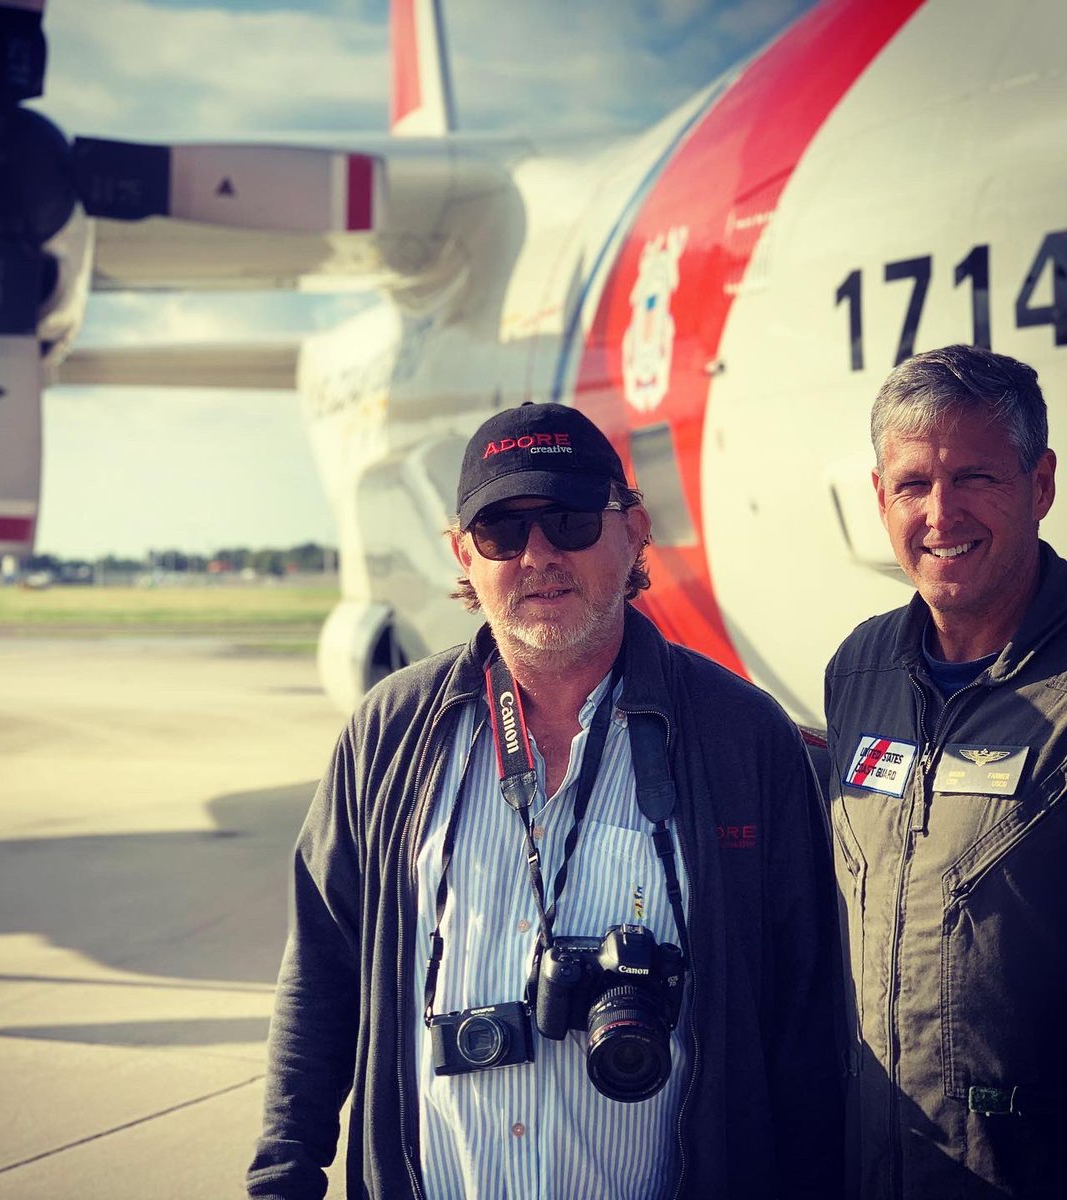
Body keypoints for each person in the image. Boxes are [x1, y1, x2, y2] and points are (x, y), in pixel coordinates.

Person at [248, 401, 843, 1200]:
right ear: (463, 554)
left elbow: (805, 1021)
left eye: (570, 520)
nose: (538, 555)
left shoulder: (742, 737)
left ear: (634, 532)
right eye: (500, 531)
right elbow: (320, 975)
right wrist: (282, 1176)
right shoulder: (389, 732)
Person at [824, 344, 1066, 1199]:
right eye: (912, 485)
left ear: (1040, 484)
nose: (940, 513)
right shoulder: (859, 671)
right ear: (880, 498)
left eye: (975, 478)